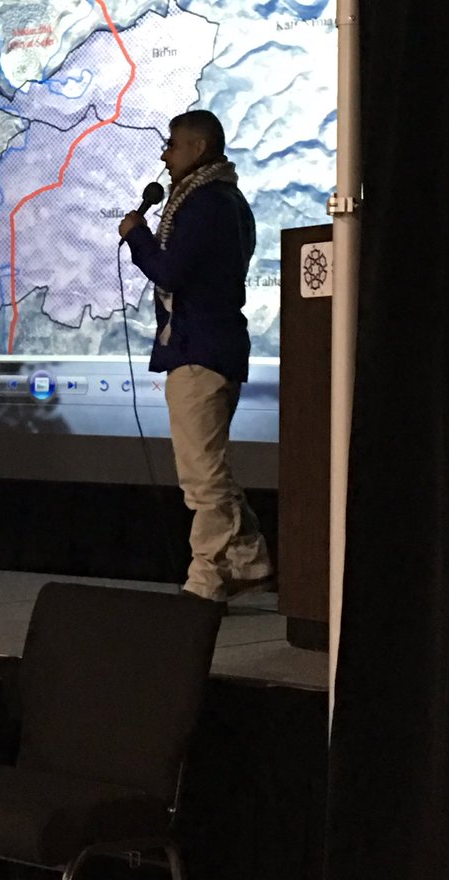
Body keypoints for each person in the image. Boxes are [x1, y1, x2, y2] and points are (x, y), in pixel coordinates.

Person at [118, 109, 272, 602]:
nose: (165, 155)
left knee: (201, 477)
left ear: (199, 148)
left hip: (200, 350)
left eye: (172, 144)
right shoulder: (225, 200)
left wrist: (137, 235)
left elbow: (171, 272)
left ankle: (206, 581)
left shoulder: (207, 204)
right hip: (211, 346)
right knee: (207, 469)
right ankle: (247, 560)